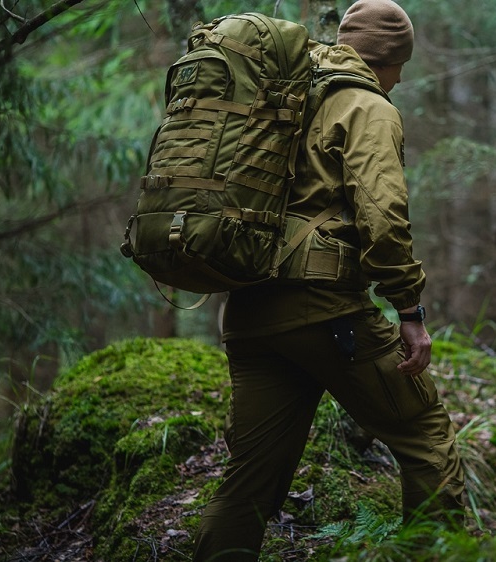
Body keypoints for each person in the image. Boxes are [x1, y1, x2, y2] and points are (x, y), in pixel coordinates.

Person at [191, 1, 466, 560]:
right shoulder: (367, 106)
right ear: (386, 60)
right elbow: (384, 219)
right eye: (399, 66)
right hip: (325, 310)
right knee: (427, 437)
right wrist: (408, 313)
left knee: (250, 479)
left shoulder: (280, 96)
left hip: (248, 314)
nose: (400, 79)